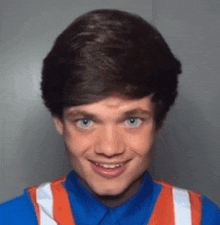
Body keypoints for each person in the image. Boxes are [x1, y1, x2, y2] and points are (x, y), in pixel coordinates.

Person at [0, 9, 219, 225]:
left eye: (132, 121)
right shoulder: (12, 219)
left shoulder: (202, 219)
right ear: (59, 122)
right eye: (85, 122)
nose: (109, 148)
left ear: (158, 123)